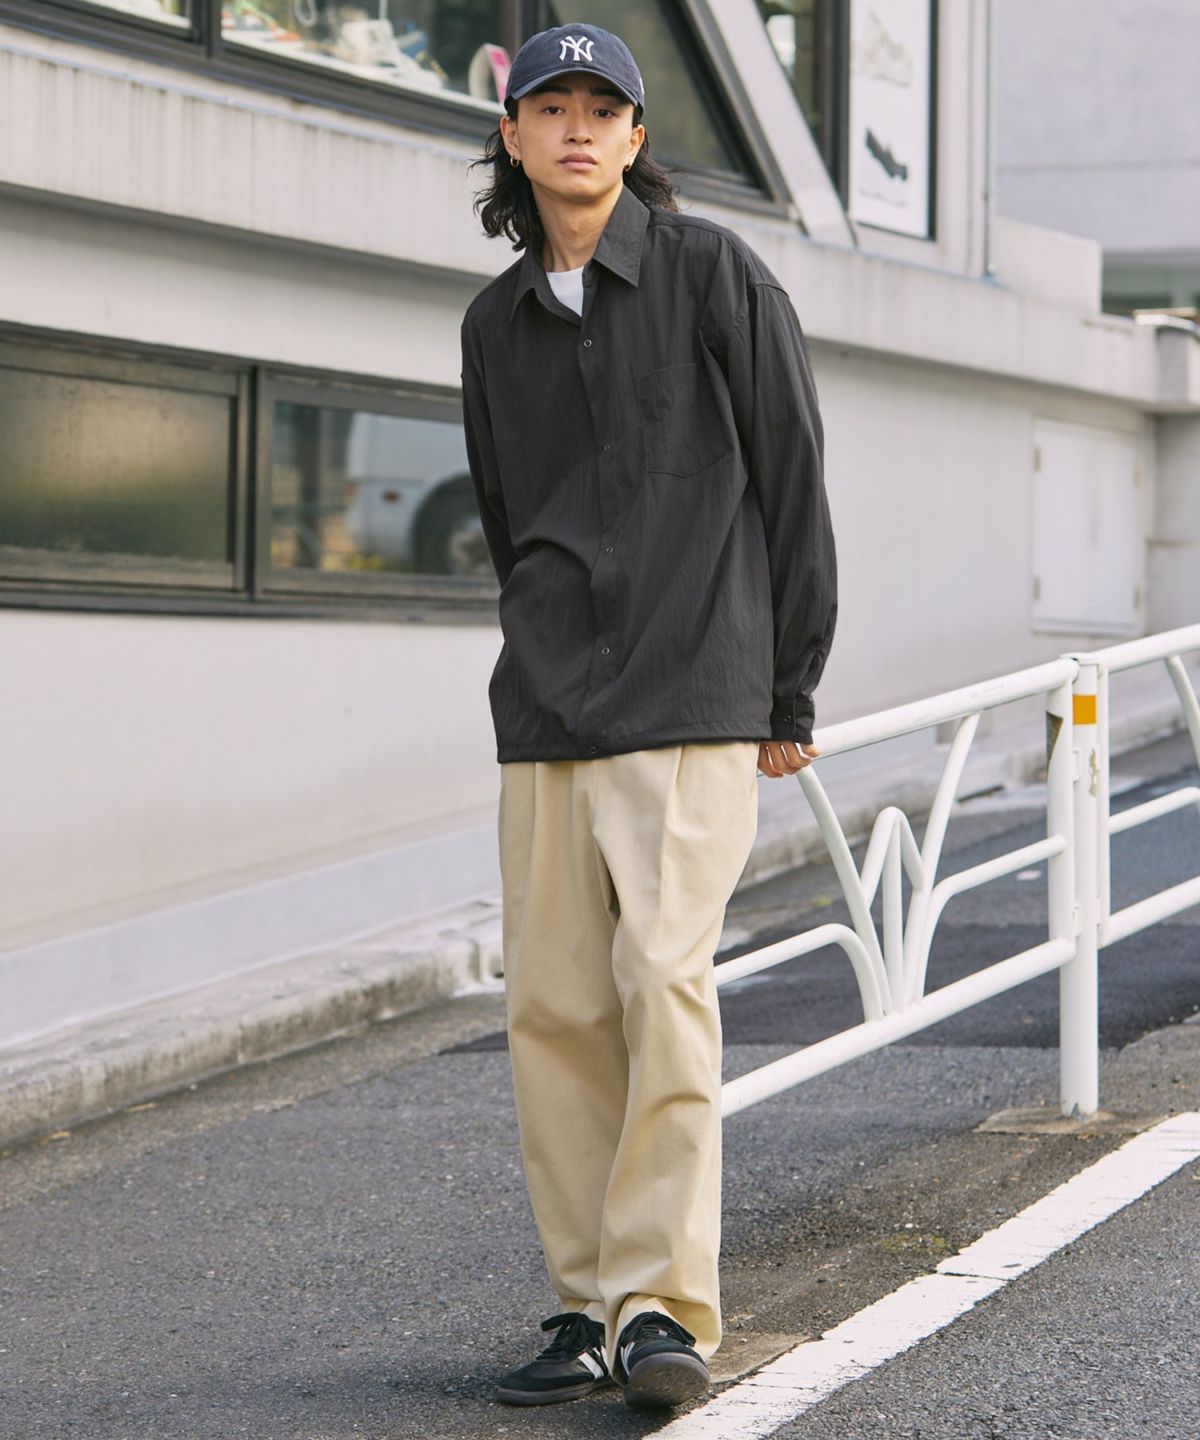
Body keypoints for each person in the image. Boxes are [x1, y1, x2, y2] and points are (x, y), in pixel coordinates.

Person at [459, 21, 837, 1412]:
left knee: (663, 986)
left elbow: (794, 478)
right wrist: (537, 658)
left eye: (600, 108)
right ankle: (584, 1304)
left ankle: (663, 1306)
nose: (576, 128)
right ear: (512, 136)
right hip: (549, 709)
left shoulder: (711, 274)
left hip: (690, 695)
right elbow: (506, 519)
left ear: (633, 137)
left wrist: (791, 683)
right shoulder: (492, 324)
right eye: (549, 106)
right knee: (554, 1008)